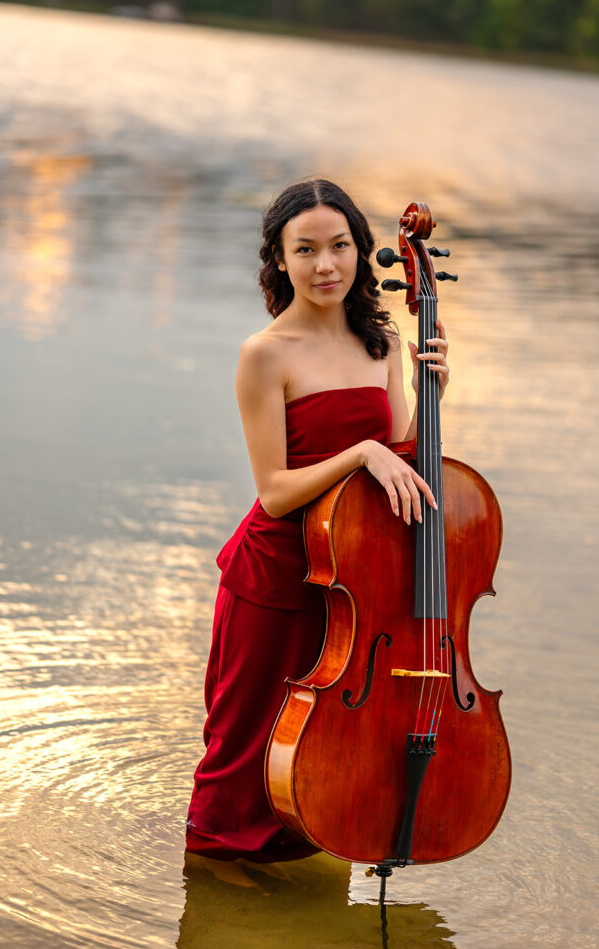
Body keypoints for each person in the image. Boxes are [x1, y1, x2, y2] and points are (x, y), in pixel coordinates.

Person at [186, 179, 449, 866]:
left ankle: (304, 865)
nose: (324, 265)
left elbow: (398, 469)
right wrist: (358, 451)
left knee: (322, 748)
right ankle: (213, 889)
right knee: (242, 749)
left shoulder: (382, 343)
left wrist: (432, 397)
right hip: (273, 578)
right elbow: (274, 492)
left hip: (351, 579)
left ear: (362, 254)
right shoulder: (264, 353)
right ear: (277, 260)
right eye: (304, 250)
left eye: (339, 247)